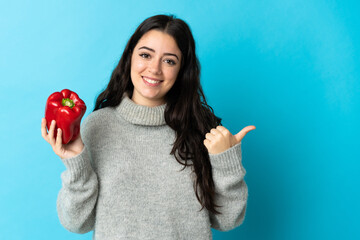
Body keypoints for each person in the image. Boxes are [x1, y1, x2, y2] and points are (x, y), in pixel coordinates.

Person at [41, 14, 255, 240]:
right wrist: (76, 162)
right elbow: (76, 222)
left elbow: (228, 220)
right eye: (145, 55)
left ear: (182, 70)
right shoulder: (98, 126)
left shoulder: (203, 131)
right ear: (130, 57)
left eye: (169, 61)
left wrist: (226, 163)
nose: (154, 69)